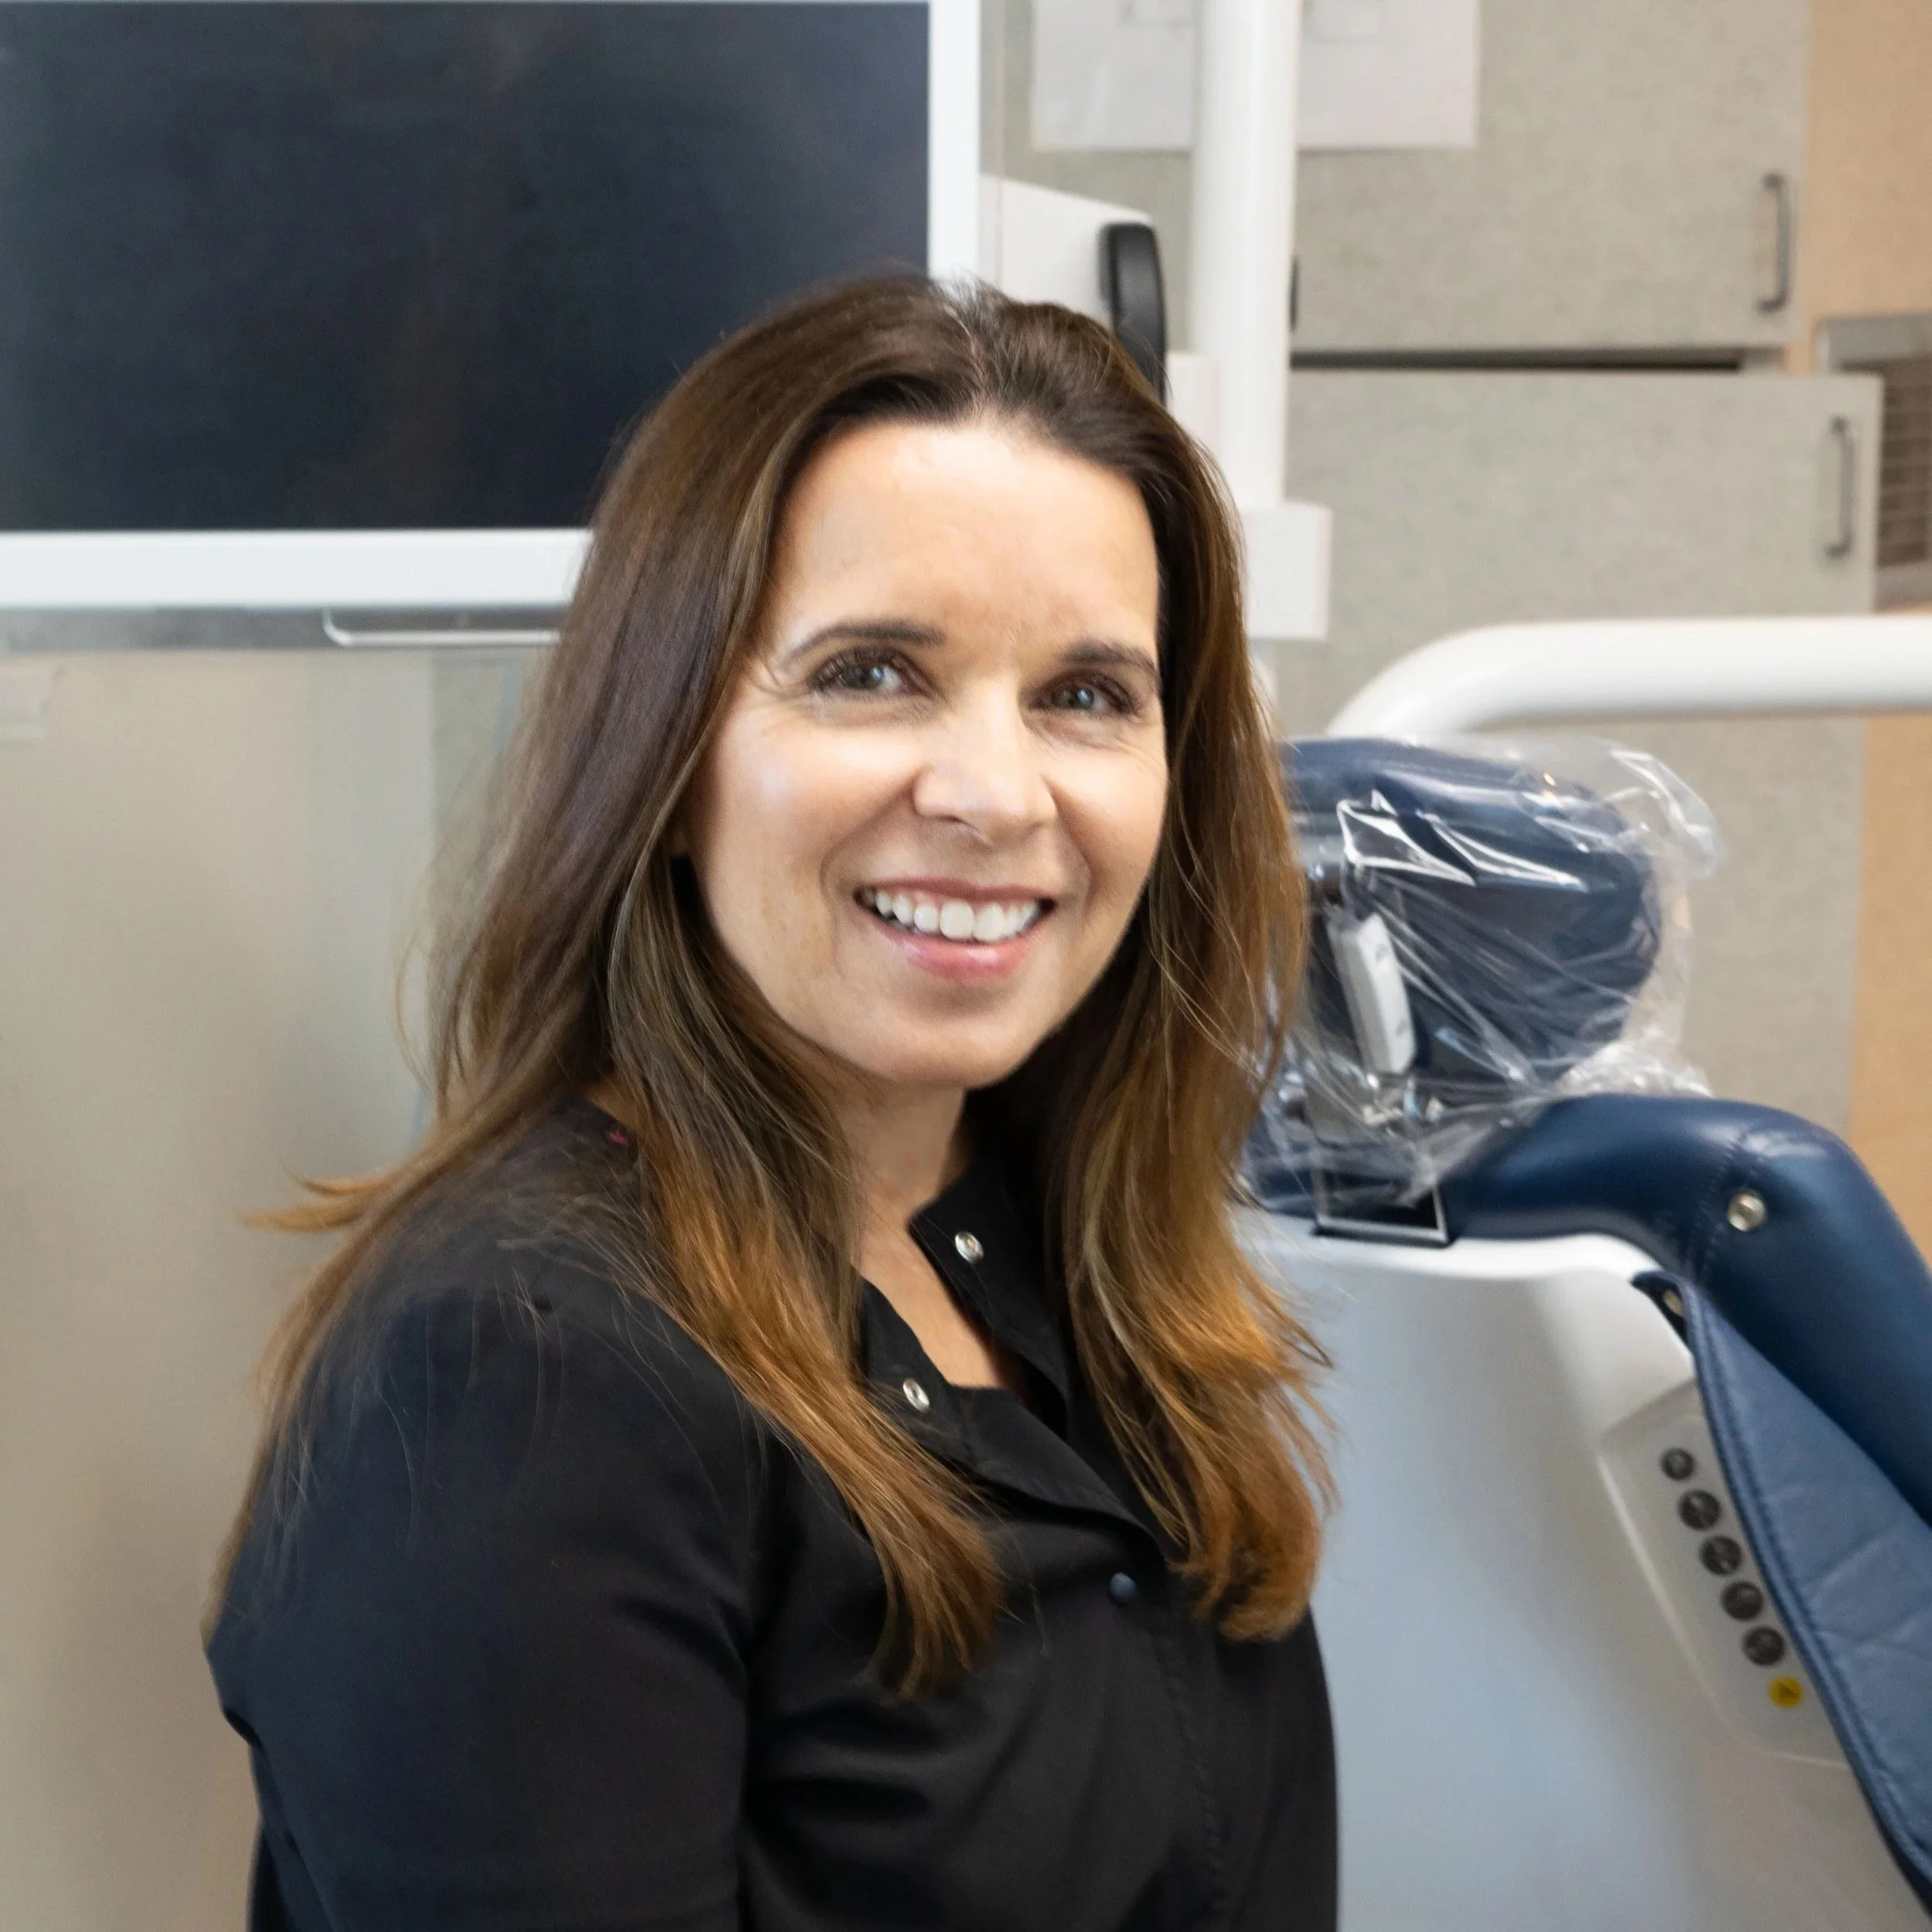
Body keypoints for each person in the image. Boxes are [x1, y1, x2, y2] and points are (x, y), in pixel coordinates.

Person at [202, 277, 1336, 1932]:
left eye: (1084, 694)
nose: (992, 793)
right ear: (663, 757)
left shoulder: (1079, 1275)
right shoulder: (520, 1373)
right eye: (872, 672)